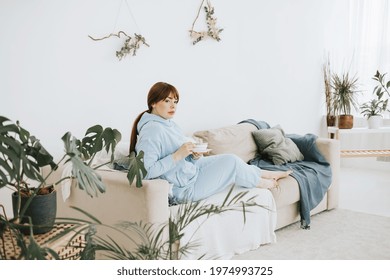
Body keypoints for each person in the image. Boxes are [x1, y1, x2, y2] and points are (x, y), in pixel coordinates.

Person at [130, 82, 291, 203]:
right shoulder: (152, 131)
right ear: (153, 103)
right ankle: (262, 182)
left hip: (188, 173)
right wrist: (178, 155)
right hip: (181, 189)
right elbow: (145, 172)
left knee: (231, 158)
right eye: (167, 101)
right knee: (231, 164)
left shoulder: (168, 123)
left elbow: (179, 157)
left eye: (176, 101)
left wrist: (193, 155)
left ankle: (262, 173)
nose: (173, 106)